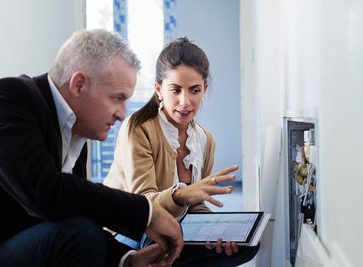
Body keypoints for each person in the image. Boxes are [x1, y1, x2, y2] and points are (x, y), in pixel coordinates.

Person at [0, 29, 183, 267]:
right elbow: (46, 195)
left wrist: (127, 260)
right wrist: (149, 212)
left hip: (15, 247)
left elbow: (75, 210)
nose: (122, 114)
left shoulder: (75, 132)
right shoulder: (6, 99)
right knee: (80, 235)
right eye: (117, 98)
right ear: (79, 84)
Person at [103, 37, 259, 266]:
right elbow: (142, 205)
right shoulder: (138, 128)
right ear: (159, 89)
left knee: (247, 245)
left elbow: (196, 205)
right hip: (133, 229)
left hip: (175, 225)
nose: (185, 102)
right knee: (165, 242)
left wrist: (215, 234)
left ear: (204, 89)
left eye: (194, 90)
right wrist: (181, 194)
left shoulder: (205, 140)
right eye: (175, 90)